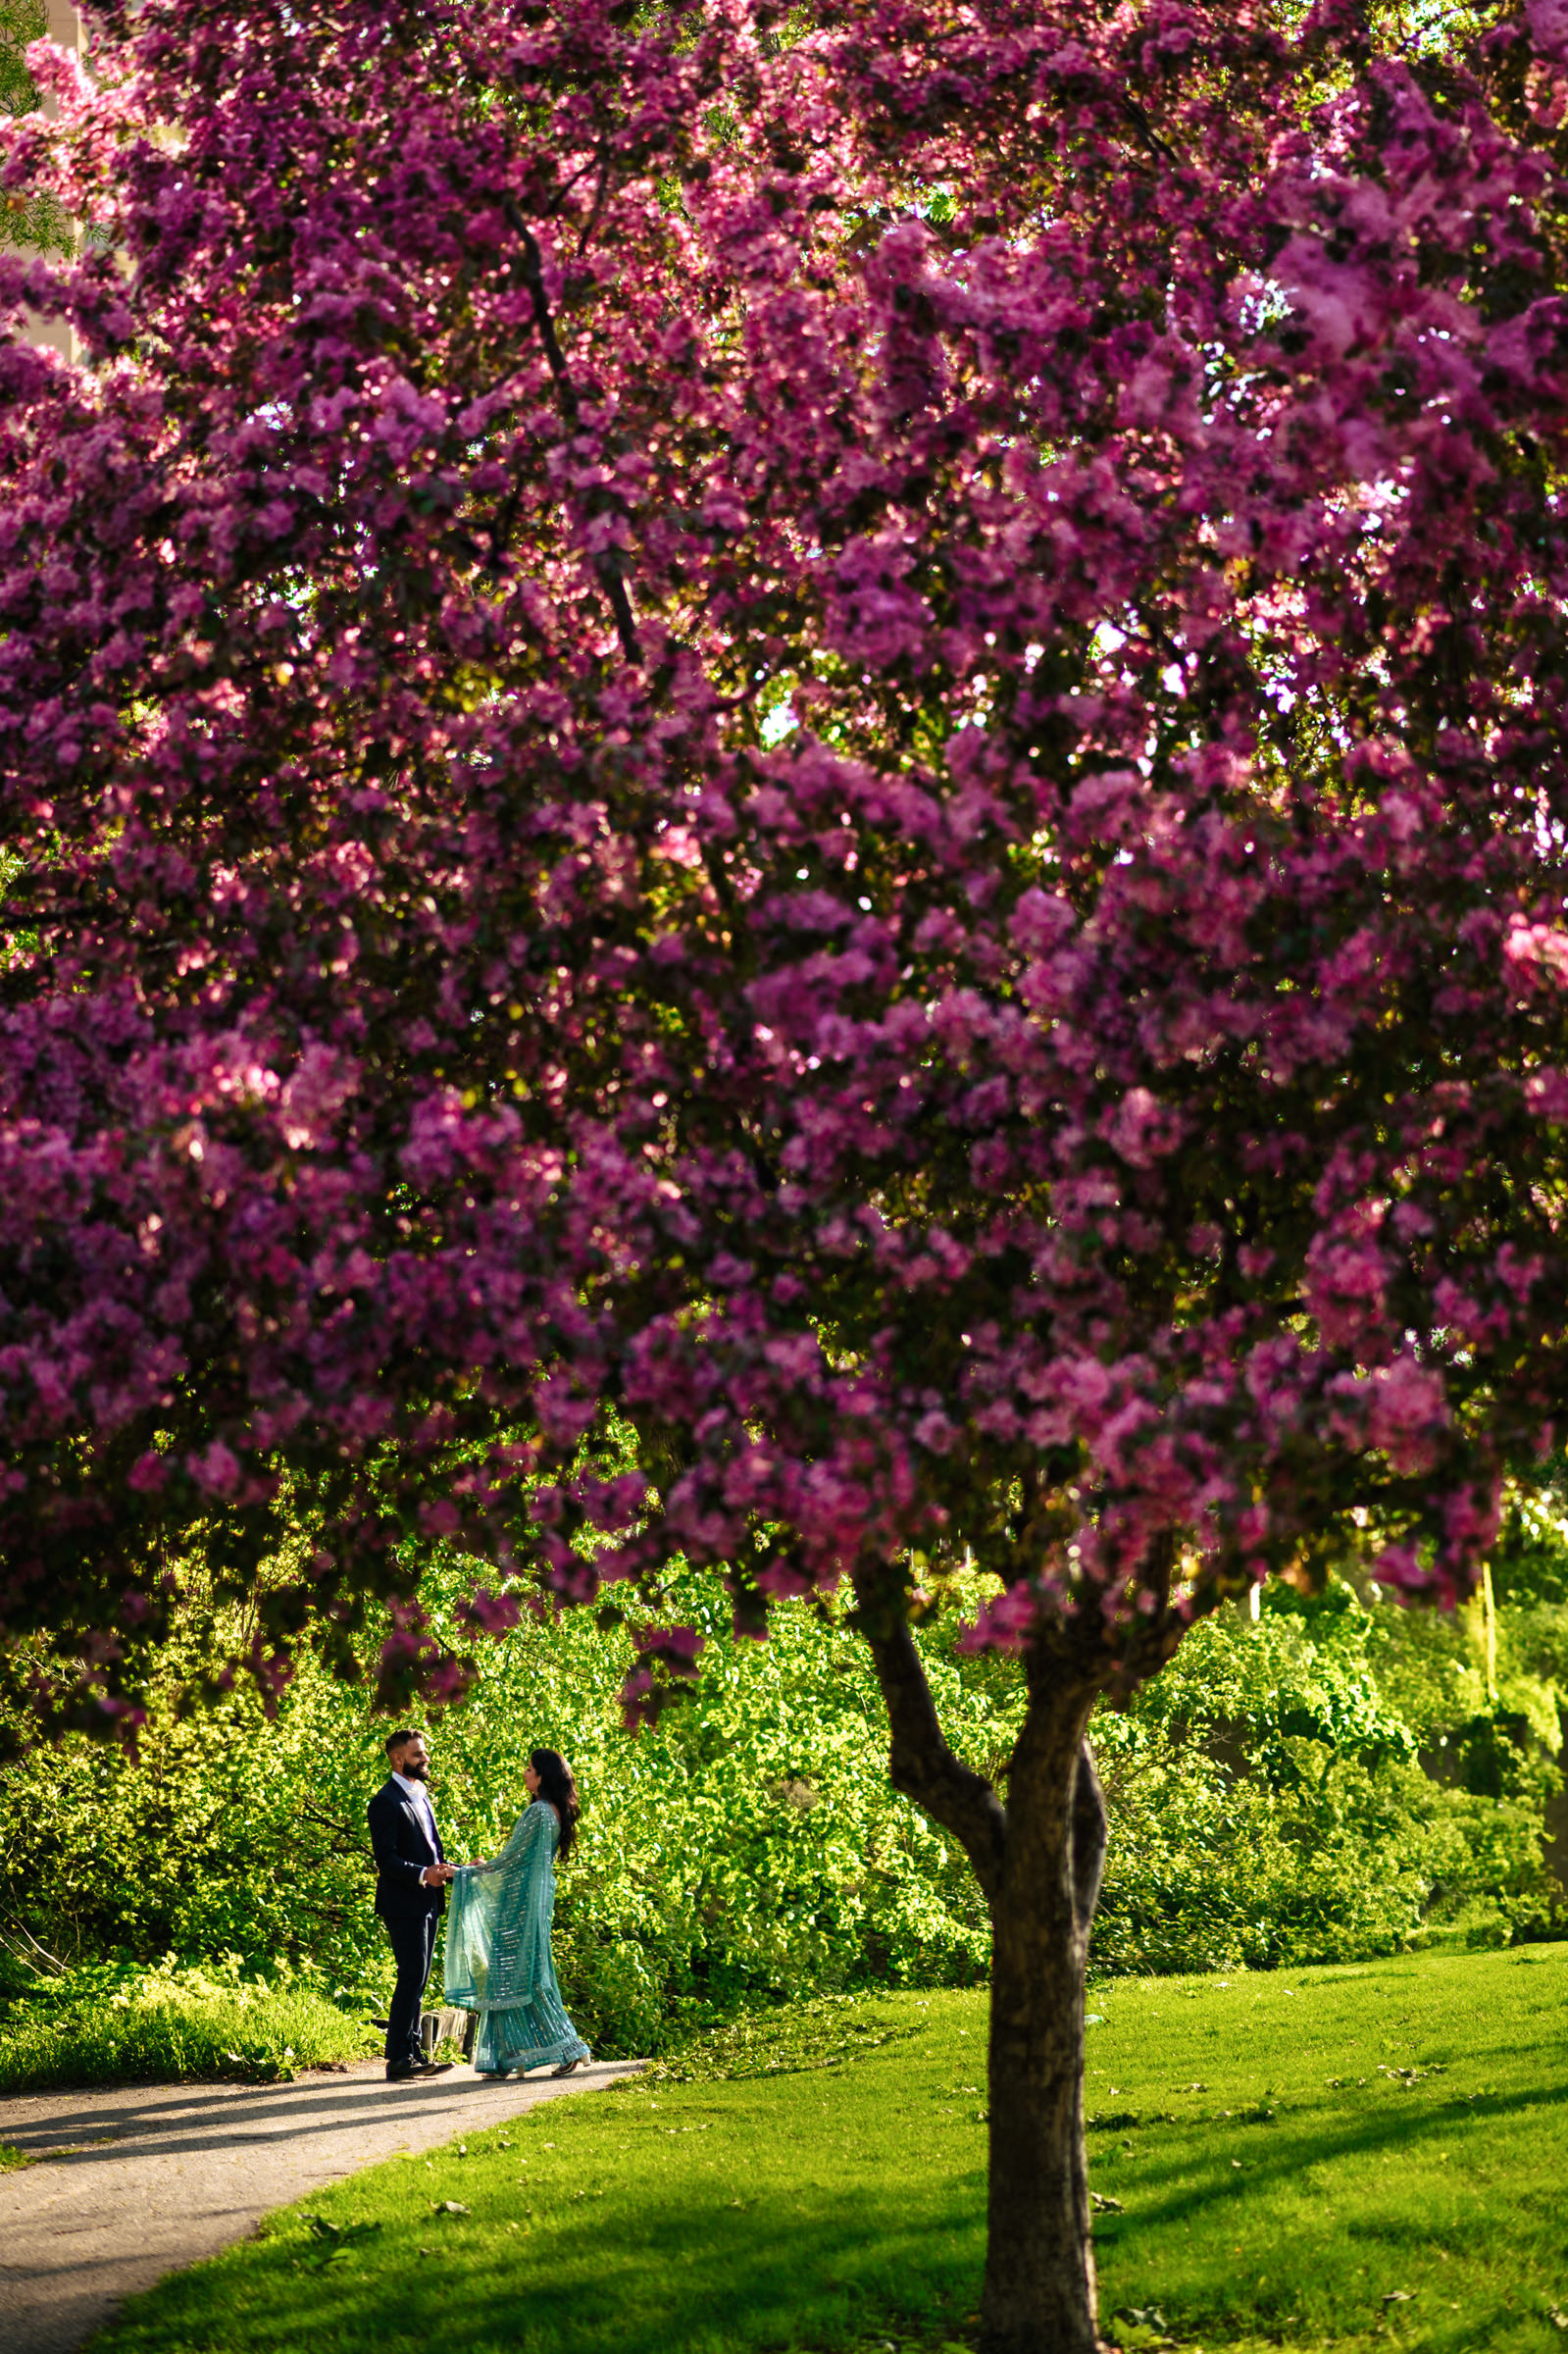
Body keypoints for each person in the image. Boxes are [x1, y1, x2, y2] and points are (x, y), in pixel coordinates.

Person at [444, 1747, 592, 2078]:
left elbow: (511, 1861)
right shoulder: (552, 1812)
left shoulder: (540, 1812)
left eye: (529, 1769)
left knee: (518, 1980)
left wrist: (466, 1872)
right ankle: (507, 2057)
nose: (524, 1774)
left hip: (520, 1911)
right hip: (531, 1909)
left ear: (542, 1776)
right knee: (513, 1978)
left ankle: (568, 2047)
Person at [368, 1727, 458, 2083]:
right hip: (403, 1902)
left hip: (428, 1901)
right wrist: (423, 1874)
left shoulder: (420, 1796)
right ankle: (398, 2059)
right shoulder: (385, 1801)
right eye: (418, 1754)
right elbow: (385, 1860)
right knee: (410, 1976)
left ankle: (414, 2050)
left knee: (419, 1978)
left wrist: (455, 1871)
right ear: (397, 1758)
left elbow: (433, 1852)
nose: (426, 1759)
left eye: (424, 1753)